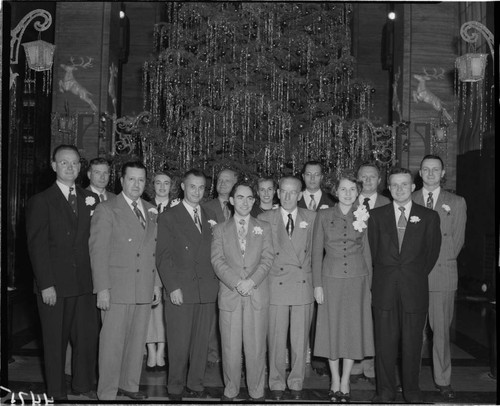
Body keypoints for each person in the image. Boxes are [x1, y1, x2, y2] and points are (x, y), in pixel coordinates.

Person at [26, 144, 99, 400]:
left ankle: (82, 385)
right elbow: (37, 247)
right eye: (64, 162)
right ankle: (57, 394)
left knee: (87, 340)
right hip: (55, 286)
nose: (70, 167)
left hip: (85, 285)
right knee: (55, 343)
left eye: (75, 163)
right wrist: (45, 284)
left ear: (81, 167)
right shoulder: (41, 201)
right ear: (54, 166)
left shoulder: (90, 199)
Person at [89, 161, 162, 400]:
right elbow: (98, 252)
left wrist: (156, 285)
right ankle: (107, 391)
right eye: (131, 179)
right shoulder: (108, 209)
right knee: (111, 345)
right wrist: (102, 289)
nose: (136, 184)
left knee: (136, 342)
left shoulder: (151, 209)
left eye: (141, 180)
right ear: (121, 181)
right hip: (117, 288)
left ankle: (129, 385)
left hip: (142, 287)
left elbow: (154, 251)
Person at [368, 167, 441, 403]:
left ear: (413, 187)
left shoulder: (429, 217)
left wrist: (412, 275)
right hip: (384, 289)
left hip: (414, 289)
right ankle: (385, 391)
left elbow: (431, 255)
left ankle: (412, 391)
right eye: (394, 185)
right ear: (388, 188)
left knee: (412, 344)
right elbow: (373, 251)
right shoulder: (377, 216)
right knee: (385, 345)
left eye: (404, 184)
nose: (399, 189)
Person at [312, 171, 374, 402]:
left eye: (352, 189)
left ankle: (346, 380)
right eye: (343, 189)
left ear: (358, 192)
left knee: (351, 331)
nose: (348, 194)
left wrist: (369, 286)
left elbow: (367, 252)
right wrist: (317, 285)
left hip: (357, 280)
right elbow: (317, 252)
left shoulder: (364, 215)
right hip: (331, 280)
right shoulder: (324, 216)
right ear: (335, 192)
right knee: (332, 330)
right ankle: (335, 379)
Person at [156, 169, 219, 400]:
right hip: (181, 289)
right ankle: (175, 386)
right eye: (192, 186)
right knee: (179, 342)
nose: (197, 191)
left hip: (206, 289)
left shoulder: (211, 214)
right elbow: (163, 256)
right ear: (183, 187)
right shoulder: (169, 216)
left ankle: (196, 383)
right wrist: (172, 287)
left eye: (201, 187)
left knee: (201, 343)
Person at [211, 181, 274, 401]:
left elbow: (268, 259)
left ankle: (257, 390)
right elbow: (217, 260)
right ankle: (231, 389)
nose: (245, 202)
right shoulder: (220, 229)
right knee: (230, 347)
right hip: (231, 295)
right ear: (231, 200)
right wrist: (237, 282)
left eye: (249, 198)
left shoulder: (263, 227)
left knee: (256, 347)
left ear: (254, 201)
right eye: (240, 197)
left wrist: (252, 282)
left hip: (256, 295)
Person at [258, 176, 317, 400]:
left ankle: (296, 379)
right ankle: (275, 380)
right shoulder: (264, 218)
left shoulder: (312, 217)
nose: (287, 196)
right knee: (275, 338)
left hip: (302, 285)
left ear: (300, 195)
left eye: (293, 192)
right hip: (275, 285)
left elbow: (315, 253)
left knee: (300, 340)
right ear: (277, 193)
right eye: (283, 191)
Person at [413, 155, 466, 400]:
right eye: (426, 169)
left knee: (441, 332)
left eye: (436, 169)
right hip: (413, 278)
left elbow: (457, 241)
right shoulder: (409, 199)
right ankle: (409, 378)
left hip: (442, 275)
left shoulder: (456, 202)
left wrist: (439, 262)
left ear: (443, 173)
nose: (431, 173)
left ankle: (443, 380)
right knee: (411, 331)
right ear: (420, 173)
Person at [350, 162, 390, 385]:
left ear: (379, 180)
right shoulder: (348, 202)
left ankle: (373, 365)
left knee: (378, 319)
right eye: (363, 177)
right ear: (357, 179)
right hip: (355, 270)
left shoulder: (388, 204)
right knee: (355, 316)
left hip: (380, 271)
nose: (367, 181)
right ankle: (355, 364)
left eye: (372, 177)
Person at [297, 160, 336, 376]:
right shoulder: (292, 198)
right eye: (308, 174)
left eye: (317, 174)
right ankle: (296, 355)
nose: (312, 178)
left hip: (324, 264)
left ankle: (319, 360)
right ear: (303, 176)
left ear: (322, 177)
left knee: (321, 314)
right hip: (299, 265)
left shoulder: (332, 201)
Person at [203, 168, 239, 367]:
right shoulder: (205, 207)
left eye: (228, 180)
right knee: (211, 317)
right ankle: (211, 355)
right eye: (220, 180)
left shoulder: (242, 207)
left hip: (237, 272)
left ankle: (231, 357)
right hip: (212, 271)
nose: (222, 183)